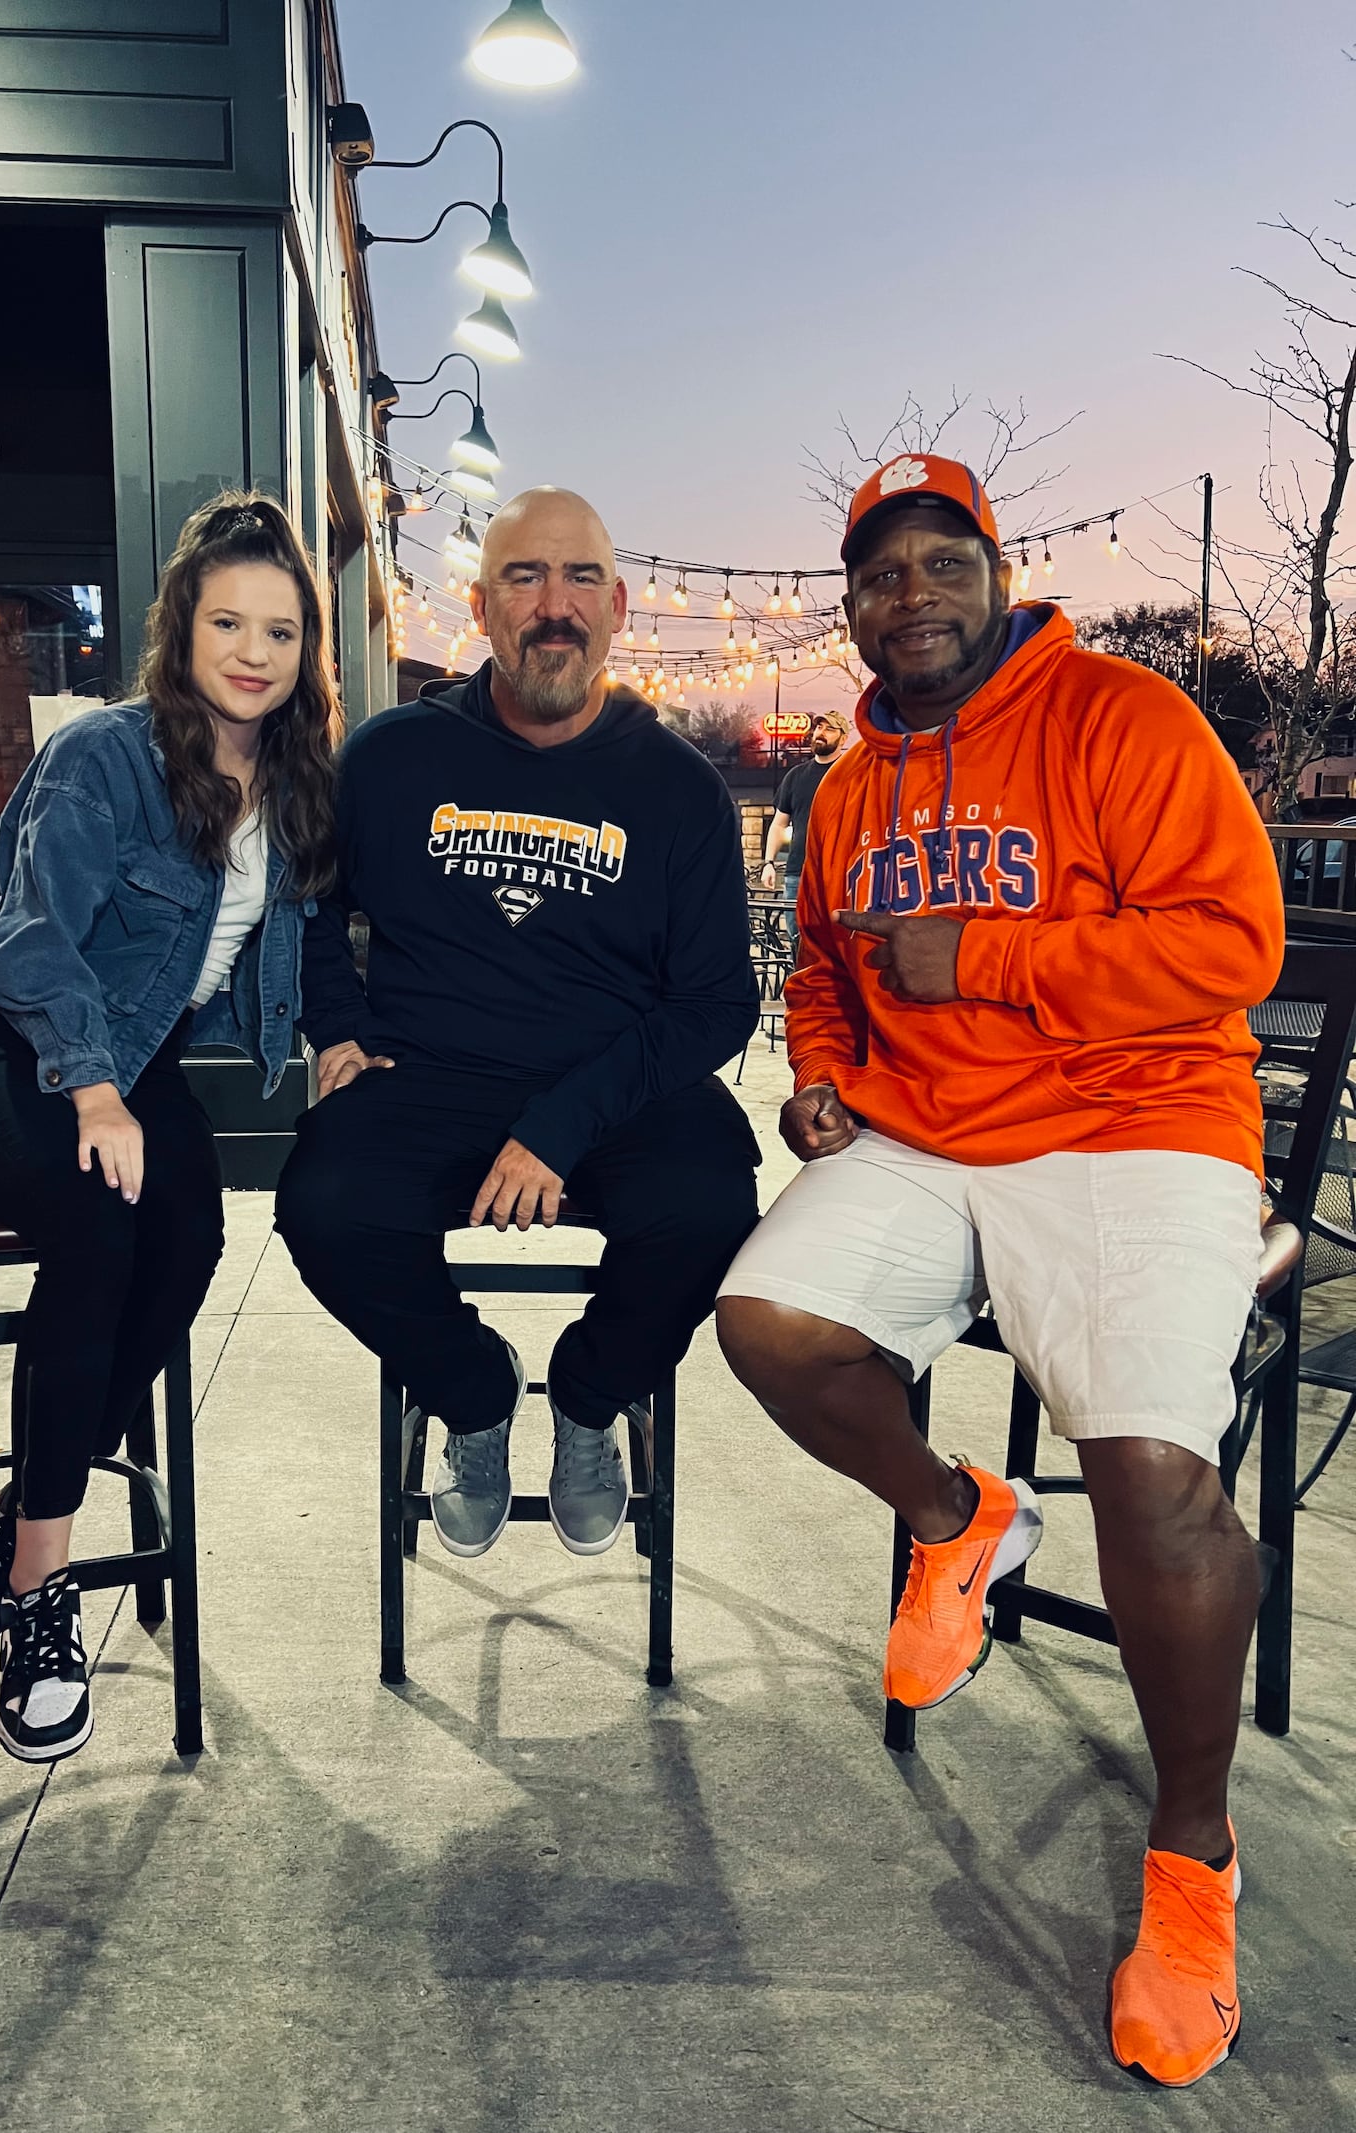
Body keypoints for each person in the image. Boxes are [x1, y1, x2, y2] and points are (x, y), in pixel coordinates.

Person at [714, 453, 1283, 2089]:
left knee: (1155, 1479)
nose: (911, 594)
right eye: (879, 574)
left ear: (995, 566)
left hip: (1136, 1127)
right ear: (852, 609)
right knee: (771, 1320)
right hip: (925, 1137)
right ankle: (958, 1514)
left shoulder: (1122, 717)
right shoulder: (845, 786)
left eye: (938, 559)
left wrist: (988, 954)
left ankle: (1193, 1861)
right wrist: (818, 1064)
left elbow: (1231, 943)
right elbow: (824, 963)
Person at [0, 491, 383, 1764]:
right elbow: (31, 941)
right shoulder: (105, 756)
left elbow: (293, 942)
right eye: (226, 621)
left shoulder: (293, 784)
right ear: (180, 629)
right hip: (5, 1051)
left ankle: (15, 1524)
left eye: (280, 632)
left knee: (191, 1242)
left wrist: (328, 1039)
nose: (251, 652)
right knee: (103, 1232)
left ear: (306, 653)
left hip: (140, 1063)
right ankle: (44, 1594)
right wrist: (93, 1090)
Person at [276, 487, 760, 1560]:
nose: (555, 605)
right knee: (323, 1205)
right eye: (524, 578)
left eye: (580, 577)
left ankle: (589, 1401)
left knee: (713, 1204)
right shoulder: (392, 756)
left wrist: (560, 1125)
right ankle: (476, 1395)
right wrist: (335, 1021)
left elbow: (720, 999)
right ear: (481, 605)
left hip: (617, 1090)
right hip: (425, 1075)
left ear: (619, 605)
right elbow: (303, 901)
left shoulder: (679, 789)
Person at [760, 712, 846, 938]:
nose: (821, 733)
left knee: (836, 944)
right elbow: (779, 824)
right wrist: (768, 862)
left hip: (839, 875)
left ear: (843, 739)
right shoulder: (795, 776)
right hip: (797, 873)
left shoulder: (851, 774)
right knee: (797, 942)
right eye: (818, 728)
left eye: (829, 729)